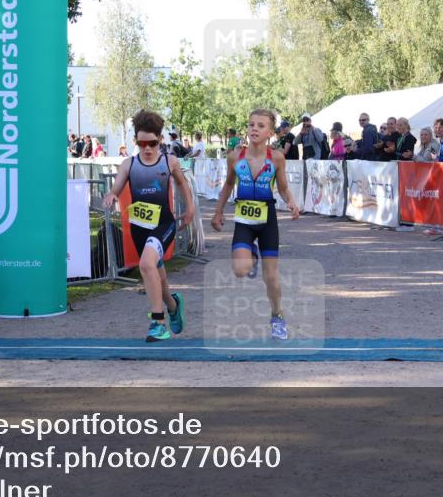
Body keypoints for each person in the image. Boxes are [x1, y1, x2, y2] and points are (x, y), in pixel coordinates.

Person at [102, 110, 196, 343]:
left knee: (146, 264)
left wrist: (190, 209)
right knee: (158, 275)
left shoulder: (169, 161)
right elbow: (116, 187)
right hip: (139, 227)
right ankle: (173, 305)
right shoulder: (128, 164)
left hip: (163, 224)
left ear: (160, 141)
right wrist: (112, 195)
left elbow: (183, 185)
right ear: (136, 142)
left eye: (152, 143)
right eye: (142, 143)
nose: (147, 148)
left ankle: (158, 322)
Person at [211, 108, 301, 340]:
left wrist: (291, 202)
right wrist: (218, 212)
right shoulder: (235, 157)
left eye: (261, 126)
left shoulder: (277, 158)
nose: (254, 129)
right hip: (244, 220)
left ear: (271, 132)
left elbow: (281, 187)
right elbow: (228, 185)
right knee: (240, 270)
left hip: (267, 220)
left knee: (271, 277)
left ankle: (277, 316)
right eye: (251, 125)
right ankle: (251, 255)